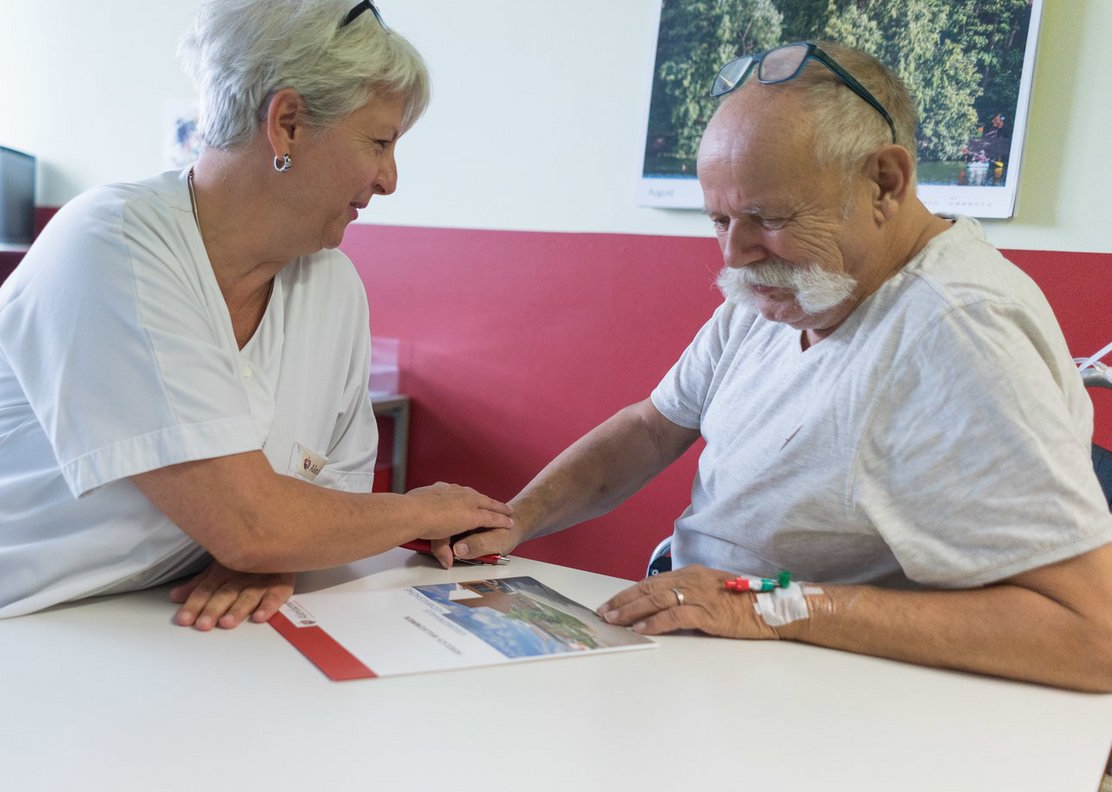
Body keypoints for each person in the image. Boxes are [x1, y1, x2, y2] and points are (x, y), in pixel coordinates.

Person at [0, 0, 512, 692]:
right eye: (378, 142)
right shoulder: (114, 245)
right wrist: (419, 509)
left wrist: (275, 550)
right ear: (289, 124)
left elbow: (309, 514)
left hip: (70, 665)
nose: (389, 178)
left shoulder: (330, 288)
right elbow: (255, 519)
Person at [446, 41, 1112, 692]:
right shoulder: (792, 283)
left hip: (820, 681)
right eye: (719, 219)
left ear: (885, 182)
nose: (735, 254)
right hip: (712, 633)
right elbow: (654, 427)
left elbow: (1094, 636)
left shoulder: (960, 329)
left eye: (767, 217)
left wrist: (763, 604)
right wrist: (516, 518)